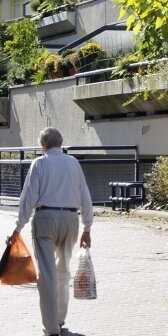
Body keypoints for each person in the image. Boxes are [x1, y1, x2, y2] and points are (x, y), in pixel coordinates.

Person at [7, 128, 93, 336]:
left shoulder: (40, 163)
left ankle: (51, 328)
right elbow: (85, 195)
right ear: (61, 143)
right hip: (71, 220)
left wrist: (18, 228)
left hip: (46, 218)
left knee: (46, 275)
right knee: (62, 271)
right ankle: (60, 320)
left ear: (42, 145)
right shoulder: (73, 163)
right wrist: (87, 227)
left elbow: (28, 198)